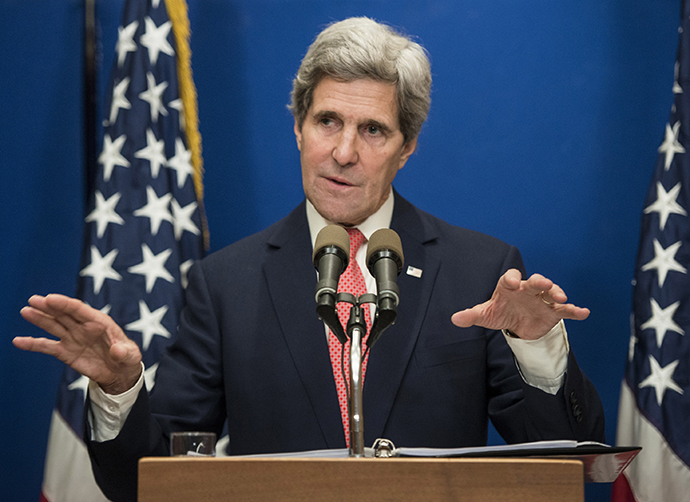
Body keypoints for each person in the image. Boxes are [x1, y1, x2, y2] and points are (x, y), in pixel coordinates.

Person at [14, 17, 604, 501]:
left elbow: (570, 461)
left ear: (408, 146)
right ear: (298, 127)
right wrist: (120, 389)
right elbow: (143, 481)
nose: (343, 152)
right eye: (327, 121)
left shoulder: (481, 269)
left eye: (373, 129)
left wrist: (538, 348)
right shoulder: (226, 285)